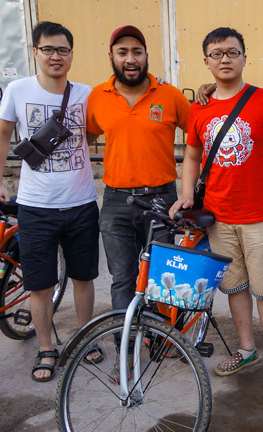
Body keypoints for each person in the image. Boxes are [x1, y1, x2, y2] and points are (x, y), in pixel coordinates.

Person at [169, 27, 263, 386]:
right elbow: (192, 155)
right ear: (206, 61)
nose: (225, 59)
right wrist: (188, 193)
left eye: (232, 52)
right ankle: (246, 348)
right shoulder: (200, 107)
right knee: (234, 288)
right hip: (218, 217)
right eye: (217, 53)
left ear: (244, 57)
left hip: (258, 216)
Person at [0, 22, 100, 382]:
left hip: (81, 202)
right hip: (36, 206)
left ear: (71, 54)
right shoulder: (18, 89)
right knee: (41, 284)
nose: (56, 56)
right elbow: (2, 137)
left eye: (63, 50)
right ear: (35, 51)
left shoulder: (86, 94)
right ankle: (46, 348)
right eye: (48, 49)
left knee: (84, 277)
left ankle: (84, 337)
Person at [86, 25, 191, 313]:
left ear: (146, 56)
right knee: (122, 278)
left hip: (161, 200)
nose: (130, 59)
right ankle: (126, 338)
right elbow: (84, 138)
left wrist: (210, 93)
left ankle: (159, 340)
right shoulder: (98, 97)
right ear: (111, 57)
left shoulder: (170, 96)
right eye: (122, 52)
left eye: (136, 52)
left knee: (161, 278)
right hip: (116, 201)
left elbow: (201, 132)